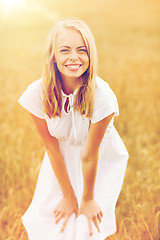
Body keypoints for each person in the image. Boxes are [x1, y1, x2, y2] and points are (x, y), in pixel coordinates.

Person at [18, 17, 129, 240]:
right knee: (54, 223)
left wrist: (86, 198)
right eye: (65, 50)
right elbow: (51, 147)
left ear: (90, 55)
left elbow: (89, 155)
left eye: (82, 50)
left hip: (98, 161)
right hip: (60, 160)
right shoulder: (37, 94)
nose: (74, 57)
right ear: (53, 56)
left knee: (86, 227)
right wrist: (68, 194)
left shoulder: (102, 97)